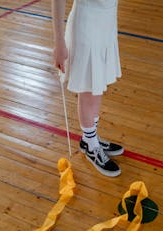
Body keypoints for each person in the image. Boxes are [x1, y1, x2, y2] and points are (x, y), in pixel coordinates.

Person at [52, 0, 124, 177]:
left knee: (97, 87)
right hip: (87, 26)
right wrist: (59, 42)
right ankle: (91, 146)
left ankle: (90, 138)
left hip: (106, 24)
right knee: (89, 91)